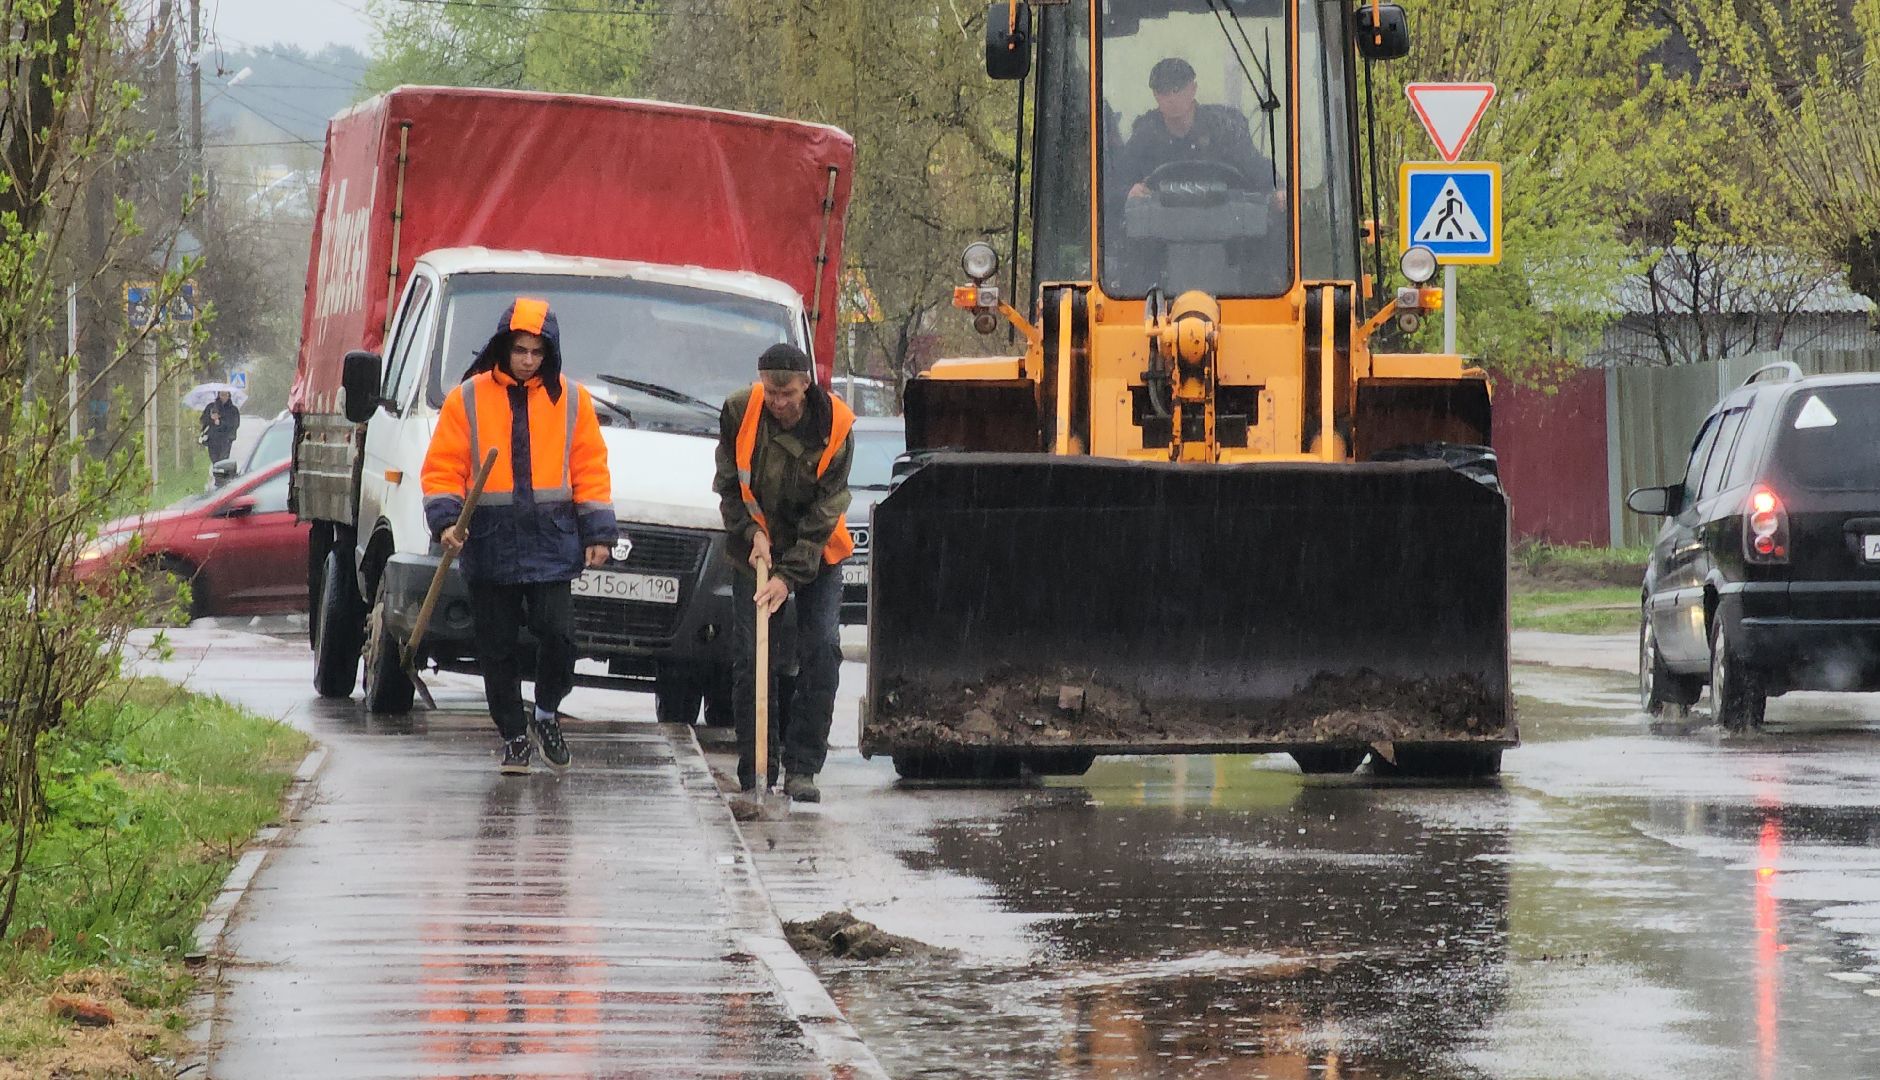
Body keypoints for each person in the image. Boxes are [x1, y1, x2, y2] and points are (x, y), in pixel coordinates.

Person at [421, 298, 617, 775]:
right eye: (520, 350)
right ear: (503, 348)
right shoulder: (466, 398)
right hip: (489, 541)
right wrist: (447, 521)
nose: (528, 360)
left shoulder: (571, 399)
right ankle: (512, 735)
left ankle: (546, 713)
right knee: (497, 648)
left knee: (560, 636)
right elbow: (444, 467)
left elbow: (589, 466)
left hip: (551, 541)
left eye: (537, 351)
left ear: (550, 352)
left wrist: (598, 533)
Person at [713, 343, 854, 803]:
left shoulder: (836, 425)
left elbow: (826, 510)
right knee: (753, 658)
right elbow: (729, 485)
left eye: (787, 393)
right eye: (771, 392)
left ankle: (803, 768)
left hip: (817, 549)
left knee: (821, 650)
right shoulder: (738, 409)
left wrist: (788, 577)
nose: (778, 402)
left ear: (805, 385)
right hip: (756, 549)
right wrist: (750, 531)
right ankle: (757, 768)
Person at [1116, 57, 1269, 199]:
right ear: (1155, 95)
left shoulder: (1225, 128)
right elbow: (1117, 183)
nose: (1171, 98)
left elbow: (1258, 170)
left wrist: (1278, 191)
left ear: (1193, 89)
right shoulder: (1144, 134)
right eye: (1163, 91)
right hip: (1162, 225)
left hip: (1223, 223)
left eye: (1177, 89)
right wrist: (1129, 192)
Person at [199, 391, 240, 473]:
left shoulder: (233, 409)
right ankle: (217, 478)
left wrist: (221, 423)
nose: (223, 397)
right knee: (214, 460)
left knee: (223, 460)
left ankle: (222, 479)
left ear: (229, 396)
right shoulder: (211, 407)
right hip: (212, 439)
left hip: (226, 440)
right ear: (218, 395)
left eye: (226, 395)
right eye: (222, 394)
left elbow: (235, 424)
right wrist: (211, 419)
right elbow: (203, 420)